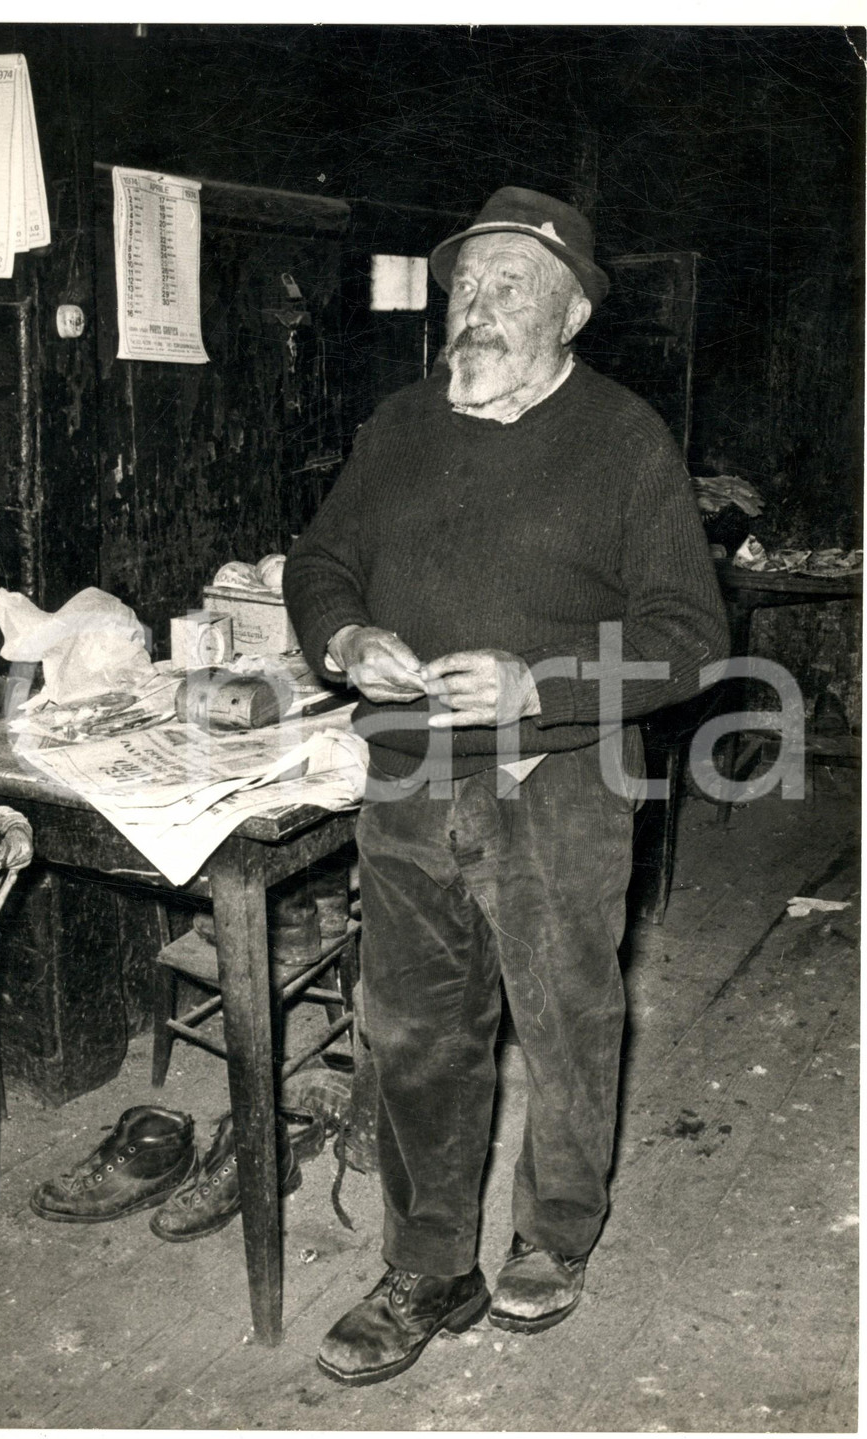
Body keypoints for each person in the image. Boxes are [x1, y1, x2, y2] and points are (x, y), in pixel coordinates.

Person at [283, 185, 729, 1387]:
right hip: (409, 770)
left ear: (571, 312)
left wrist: (538, 684)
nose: (473, 307)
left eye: (509, 288)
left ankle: (553, 1230)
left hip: (565, 776)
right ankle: (430, 1261)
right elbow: (320, 558)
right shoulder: (399, 425)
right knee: (415, 1031)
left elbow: (689, 634)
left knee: (568, 1016)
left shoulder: (624, 436)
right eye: (464, 286)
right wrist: (345, 637)